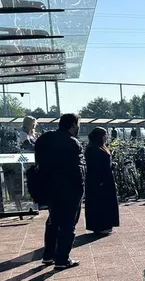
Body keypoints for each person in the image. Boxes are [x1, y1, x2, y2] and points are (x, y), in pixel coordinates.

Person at [36, 113, 85, 270]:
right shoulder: (73, 143)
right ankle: (62, 259)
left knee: (53, 221)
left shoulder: (45, 138)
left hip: (49, 187)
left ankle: (48, 255)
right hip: (69, 188)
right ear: (72, 125)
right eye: (78, 125)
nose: (78, 128)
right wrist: (82, 188)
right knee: (68, 223)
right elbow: (77, 170)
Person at [84, 127, 119, 235]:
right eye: (105, 135)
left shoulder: (98, 147)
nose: (107, 137)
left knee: (104, 203)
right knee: (100, 203)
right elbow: (95, 166)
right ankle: (101, 226)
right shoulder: (94, 149)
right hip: (100, 180)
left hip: (105, 179)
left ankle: (105, 225)